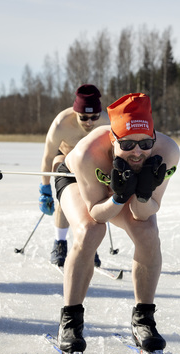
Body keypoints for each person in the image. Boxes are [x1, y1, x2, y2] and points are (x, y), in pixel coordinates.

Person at [54, 93, 180, 354]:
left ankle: (143, 320)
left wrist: (143, 193)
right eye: (127, 144)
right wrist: (119, 197)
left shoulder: (167, 151)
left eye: (145, 143)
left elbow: (143, 213)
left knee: (147, 233)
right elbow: (98, 214)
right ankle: (70, 321)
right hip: (77, 180)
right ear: (113, 138)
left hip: (126, 187)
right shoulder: (86, 153)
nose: (137, 152)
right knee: (90, 230)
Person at [39, 84, 110, 267]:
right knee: (67, 199)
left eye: (94, 116)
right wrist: (45, 189)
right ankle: (60, 243)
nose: (89, 122)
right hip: (64, 159)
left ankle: (90, 245)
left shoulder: (106, 122)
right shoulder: (61, 124)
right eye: (84, 117)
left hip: (90, 161)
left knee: (92, 203)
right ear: (75, 112)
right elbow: (47, 157)